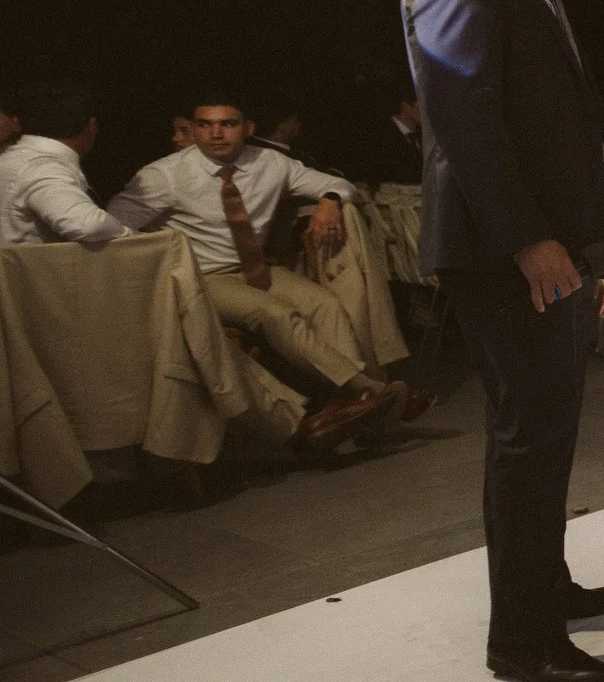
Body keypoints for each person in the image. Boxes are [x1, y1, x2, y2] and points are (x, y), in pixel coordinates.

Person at [403, 0, 604, 682]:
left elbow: (565, 133)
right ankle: (521, 639)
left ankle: (549, 586)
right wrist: (527, 240)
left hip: (552, 245)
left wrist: (596, 245)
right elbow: (463, 118)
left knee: (553, 429)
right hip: (504, 254)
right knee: (527, 436)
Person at [108, 90, 411, 443]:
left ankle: (347, 412)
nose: (216, 134)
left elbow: (338, 184)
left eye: (227, 124)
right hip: (204, 277)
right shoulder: (166, 175)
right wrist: (162, 257)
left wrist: (329, 201)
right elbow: (115, 221)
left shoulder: (271, 163)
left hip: (259, 269)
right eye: (204, 125)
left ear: (248, 128)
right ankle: (368, 392)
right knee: (274, 313)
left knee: (324, 304)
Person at [0, 82, 129, 246]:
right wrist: (130, 236)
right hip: (34, 271)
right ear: (91, 126)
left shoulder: (13, 159)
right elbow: (88, 225)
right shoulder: (41, 166)